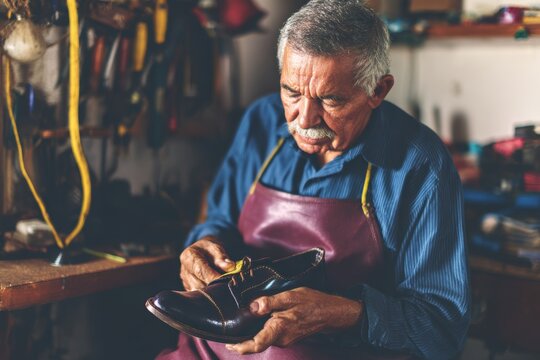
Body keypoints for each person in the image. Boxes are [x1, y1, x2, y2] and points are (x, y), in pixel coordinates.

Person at [156, 0, 470, 359]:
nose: (304, 119)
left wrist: (342, 313)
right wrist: (202, 247)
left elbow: (441, 329)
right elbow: (220, 220)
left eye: (330, 100)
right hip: (214, 350)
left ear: (377, 91)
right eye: (291, 92)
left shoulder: (420, 166)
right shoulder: (261, 122)